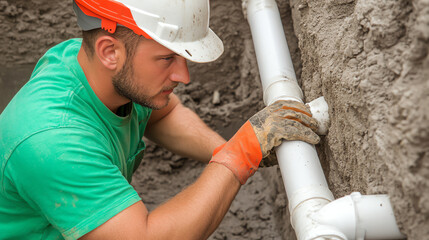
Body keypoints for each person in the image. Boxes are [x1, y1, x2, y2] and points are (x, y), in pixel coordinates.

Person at [0, 0, 320, 239]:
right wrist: (240, 154)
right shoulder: (52, 142)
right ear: (109, 52)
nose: (183, 76)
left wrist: (223, 148)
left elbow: (164, 115)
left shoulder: (89, 66)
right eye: (167, 58)